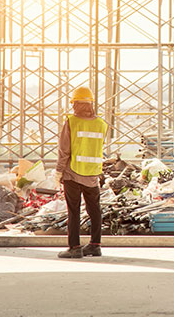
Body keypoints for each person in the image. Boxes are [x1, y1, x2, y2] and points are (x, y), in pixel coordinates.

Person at [56, 86, 107, 259]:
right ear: (91, 104)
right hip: (92, 174)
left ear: (76, 104)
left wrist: (58, 171)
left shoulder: (71, 122)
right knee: (95, 210)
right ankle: (95, 245)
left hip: (73, 173)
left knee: (74, 211)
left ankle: (75, 247)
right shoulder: (101, 124)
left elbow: (64, 150)